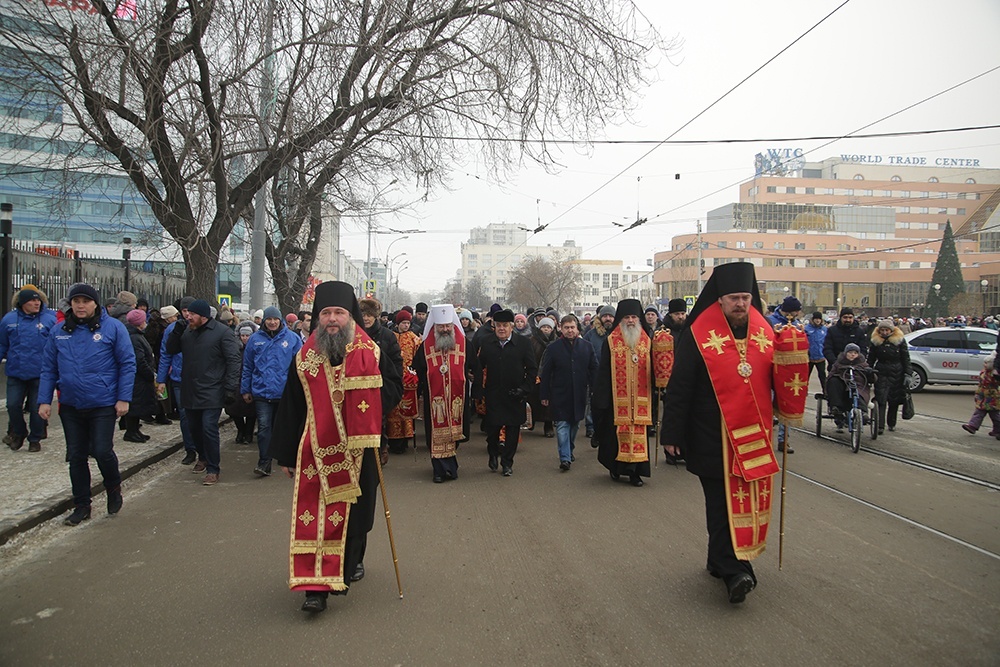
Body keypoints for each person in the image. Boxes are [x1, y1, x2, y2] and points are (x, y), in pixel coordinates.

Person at [662, 262, 808, 604]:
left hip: (755, 437)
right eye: (733, 298)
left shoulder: (764, 331)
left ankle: (720, 561)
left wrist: (793, 360)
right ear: (720, 300)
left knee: (747, 502)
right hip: (710, 436)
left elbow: (780, 379)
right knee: (721, 506)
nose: (740, 304)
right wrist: (671, 433)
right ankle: (737, 572)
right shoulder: (699, 334)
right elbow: (680, 387)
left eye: (745, 297)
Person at [269, 281, 391, 613]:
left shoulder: (372, 352)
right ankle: (315, 589)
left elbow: (392, 388)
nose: (332, 320)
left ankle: (350, 564)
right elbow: (290, 405)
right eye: (326, 313)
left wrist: (368, 407)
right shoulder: (304, 358)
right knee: (313, 517)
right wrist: (284, 452)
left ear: (350, 316)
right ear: (317, 318)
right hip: (314, 450)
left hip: (359, 448)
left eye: (338, 312)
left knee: (356, 517)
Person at [38, 283, 136, 526]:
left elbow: (127, 363)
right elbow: (48, 367)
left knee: (102, 450)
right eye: (76, 301)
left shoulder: (113, 328)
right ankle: (81, 505)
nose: (80, 305)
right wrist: (43, 400)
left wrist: (123, 398)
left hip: (102, 402)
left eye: (85, 301)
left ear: (95, 304)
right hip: (71, 403)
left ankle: (113, 487)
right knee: (76, 455)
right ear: (70, 304)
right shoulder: (59, 330)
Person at [164, 299, 242, 485]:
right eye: (187, 313)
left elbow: (234, 360)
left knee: (209, 428)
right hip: (190, 388)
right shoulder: (186, 331)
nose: (188, 316)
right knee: (193, 428)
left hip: (212, 388)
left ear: (204, 316)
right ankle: (202, 456)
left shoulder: (222, 332)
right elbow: (171, 349)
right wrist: (176, 331)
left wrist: (230, 387)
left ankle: (213, 468)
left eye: (192, 314)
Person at [592, 299, 655, 487]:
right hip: (616, 400)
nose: (630, 321)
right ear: (621, 319)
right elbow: (603, 371)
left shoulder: (647, 340)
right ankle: (617, 468)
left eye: (634, 317)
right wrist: (601, 398)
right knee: (616, 435)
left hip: (641, 398)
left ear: (639, 319)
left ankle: (636, 473)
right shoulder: (611, 341)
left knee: (639, 435)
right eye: (626, 317)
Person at [472, 308, 536, 476]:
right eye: (498, 325)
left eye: (505, 325)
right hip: (493, 394)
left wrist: (524, 389)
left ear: (512, 327)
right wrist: (478, 390)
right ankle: (492, 454)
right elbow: (479, 367)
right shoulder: (487, 342)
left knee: (513, 431)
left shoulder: (523, 343)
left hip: (515, 395)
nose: (501, 328)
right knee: (492, 430)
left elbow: (532, 369)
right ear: (494, 327)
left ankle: (507, 463)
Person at [241, 306, 302, 476]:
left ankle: (284, 458)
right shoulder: (255, 339)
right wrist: (245, 389)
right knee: (264, 427)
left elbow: (300, 365)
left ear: (280, 320)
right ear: (265, 321)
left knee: (282, 427)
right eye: (269, 319)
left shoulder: (292, 339)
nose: (272, 322)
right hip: (262, 391)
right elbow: (247, 366)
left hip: (284, 392)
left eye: (275, 319)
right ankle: (264, 462)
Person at [413, 304, 470, 482]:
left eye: (448, 326)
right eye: (441, 327)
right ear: (434, 327)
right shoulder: (425, 347)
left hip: (457, 399)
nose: (445, 330)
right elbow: (418, 370)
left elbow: (473, 366)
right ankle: (438, 470)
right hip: (434, 399)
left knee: (454, 434)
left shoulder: (465, 344)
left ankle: (451, 467)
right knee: (436, 435)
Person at [0, 285, 57, 452]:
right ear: (23, 302)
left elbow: (58, 344)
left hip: (41, 373)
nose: (36, 303)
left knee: (36, 408)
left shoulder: (49, 319)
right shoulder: (9, 320)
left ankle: (35, 438)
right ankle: (19, 432)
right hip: (16, 371)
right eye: (32, 300)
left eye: (38, 300)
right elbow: (2, 344)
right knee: (12, 405)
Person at [539, 314, 596, 470]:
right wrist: (544, 395)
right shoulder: (553, 348)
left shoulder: (586, 347)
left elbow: (594, 370)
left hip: (579, 393)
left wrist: (595, 390)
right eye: (566, 328)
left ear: (577, 328)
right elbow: (546, 373)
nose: (570, 331)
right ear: (561, 329)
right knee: (563, 425)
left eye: (572, 327)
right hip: (560, 393)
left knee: (575, 424)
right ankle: (564, 458)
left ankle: (569, 449)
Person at [158, 297, 197, 464]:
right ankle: (190, 449)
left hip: (199, 379)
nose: (187, 314)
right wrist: (161, 380)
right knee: (184, 415)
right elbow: (165, 354)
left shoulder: (204, 328)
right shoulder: (173, 329)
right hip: (178, 379)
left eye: (190, 311)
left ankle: (203, 448)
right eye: (184, 311)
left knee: (200, 416)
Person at [867, 318, 911, 434]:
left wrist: (908, 374)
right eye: (882, 330)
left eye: (887, 330)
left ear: (891, 330)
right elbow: (871, 358)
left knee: (894, 400)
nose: (884, 332)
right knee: (881, 398)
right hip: (881, 371)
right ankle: (879, 425)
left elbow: (906, 358)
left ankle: (891, 423)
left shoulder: (899, 341)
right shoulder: (876, 341)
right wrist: (868, 371)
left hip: (897, 372)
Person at [386, 310, 421, 455]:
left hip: (408, 379)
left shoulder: (414, 339)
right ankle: (394, 441)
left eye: (408, 323)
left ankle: (405, 439)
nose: (406, 326)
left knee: (406, 408)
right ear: (398, 323)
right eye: (403, 323)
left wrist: (414, 373)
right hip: (393, 378)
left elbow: (418, 359)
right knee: (393, 410)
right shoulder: (390, 336)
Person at [122, 309, 158, 442]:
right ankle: (131, 431)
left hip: (139, 378)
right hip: (138, 378)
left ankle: (135, 430)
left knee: (138, 404)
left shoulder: (136, 335)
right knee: (135, 404)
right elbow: (139, 360)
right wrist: (150, 373)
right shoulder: (135, 338)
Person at [582, 304, 615, 440]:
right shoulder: (591, 335)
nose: (607, 319)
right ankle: (591, 427)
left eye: (610, 316)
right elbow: (584, 353)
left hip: (613, 375)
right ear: (600, 318)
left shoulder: (617, 334)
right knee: (593, 402)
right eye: (605, 316)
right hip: (594, 374)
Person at [825, 343, 874, 433]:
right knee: (833, 381)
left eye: (855, 353)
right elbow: (830, 375)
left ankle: (863, 412)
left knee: (858, 393)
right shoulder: (838, 363)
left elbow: (872, 379)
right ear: (845, 353)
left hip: (858, 385)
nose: (852, 354)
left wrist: (870, 373)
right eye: (850, 352)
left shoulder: (863, 364)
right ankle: (836, 408)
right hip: (843, 384)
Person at [228, 322, 257, 445]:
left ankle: (248, 433)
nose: (244, 338)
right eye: (242, 335)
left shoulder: (255, 347)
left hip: (251, 381)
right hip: (236, 381)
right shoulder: (234, 348)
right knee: (234, 409)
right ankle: (241, 430)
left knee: (251, 410)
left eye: (247, 335)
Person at [528, 315, 556, 437]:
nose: (546, 329)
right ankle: (532, 421)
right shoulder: (532, 341)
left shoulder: (556, 341)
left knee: (549, 403)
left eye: (548, 327)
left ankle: (548, 426)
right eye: (544, 326)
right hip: (536, 375)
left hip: (551, 377)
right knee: (533, 399)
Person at [962, 353, 1000, 438]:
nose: (984, 365)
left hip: (993, 397)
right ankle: (972, 426)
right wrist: (977, 394)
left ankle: (997, 430)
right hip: (983, 396)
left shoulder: (995, 374)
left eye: (987, 363)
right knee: (979, 412)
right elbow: (980, 384)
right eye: (984, 363)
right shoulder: (983, 372)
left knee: (995, 415)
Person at [805, 312, 828, 389]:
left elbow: (827, 342)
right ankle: (804, 390)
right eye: (816, 319)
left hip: (821, 356)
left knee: (822, 375)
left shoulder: (824, 329)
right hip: (809, 357)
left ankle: (825, 391)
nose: (817, 320)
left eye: (819, 319)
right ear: (813, 319)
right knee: (806, 375)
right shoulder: (806, 329)